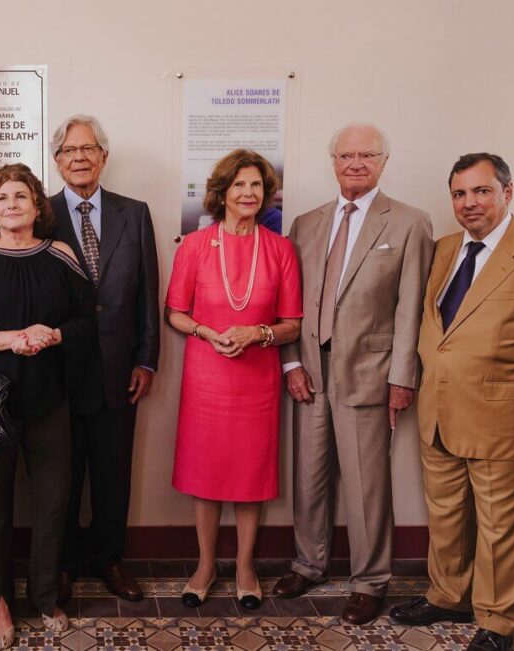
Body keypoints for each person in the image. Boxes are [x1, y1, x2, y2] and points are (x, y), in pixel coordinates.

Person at [390, 153, 514, 650]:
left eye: (481, 191)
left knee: (502, 527)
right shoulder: (442, 252)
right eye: (459, 194)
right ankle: (449, 595)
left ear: (508, 191)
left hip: (507, 419)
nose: (469, 203)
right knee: (447, 516)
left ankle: (499, 622)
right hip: (440, 415)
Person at [272, 123, 434, 625]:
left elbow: (413, 307)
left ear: (384, 161)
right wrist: (292, 360)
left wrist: (403, 376)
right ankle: (309, 562)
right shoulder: (306, 222)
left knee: (367, 486)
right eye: (346, 155)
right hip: (311, 371)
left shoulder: (409, 222)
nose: (356, 163)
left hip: (371, 372)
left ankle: (369, 581)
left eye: (367, 155)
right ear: (333, 162)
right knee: (309, 476)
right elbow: (291, 301)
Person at [0, 163, 97, 648]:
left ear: (38, 207)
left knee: (53, 504)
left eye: (22, 197)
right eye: (3, 197)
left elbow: (86, 323)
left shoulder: (61, 254)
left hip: (50, 400)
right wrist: (14, 339)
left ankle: (45, 593)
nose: (12, 204)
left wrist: (51, 335)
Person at [165, 149, 302, 611]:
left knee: (249, 475)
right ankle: (205, 565)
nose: (248, 193)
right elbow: (176, 314)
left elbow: (293, 324)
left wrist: (258, 334)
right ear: (221, 192)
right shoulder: (195, 246)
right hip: (206, 376)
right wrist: (207, 331)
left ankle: (245, 566)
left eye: (257, 186)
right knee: (206, 474)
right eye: (239, 185)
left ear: (266, 194)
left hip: (257, 379)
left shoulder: (281, 249)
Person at [48, 115, 160, 604]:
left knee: (114, 474)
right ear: (56, 161)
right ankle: (67, 562)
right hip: (59, 370)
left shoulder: (134, 213)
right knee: (64, 476)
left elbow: (147, 294)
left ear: (103, 157)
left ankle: (110, 559)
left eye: (89, 149)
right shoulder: (40, 212)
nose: (79, 158)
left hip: (120, 368)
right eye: (70, 150)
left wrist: (147, 359)